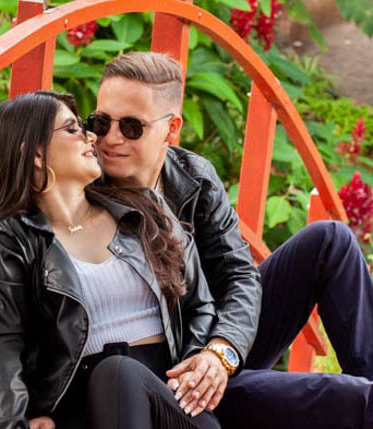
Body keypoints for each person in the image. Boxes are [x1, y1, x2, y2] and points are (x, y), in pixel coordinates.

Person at [89, 51, 373, 428]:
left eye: (131, 127)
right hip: (172, 383)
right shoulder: (81, 185)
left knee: (330, 241)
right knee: (352, 398)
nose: (109, 139)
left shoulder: (194, 177)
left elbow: (239, 275)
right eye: (100, 122)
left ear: (171, 129)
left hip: (217, 349)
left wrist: (222, 348)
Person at [0, 90, 224, 428]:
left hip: (169, 400)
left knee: (118, 373)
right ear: (35, 153)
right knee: (114, 374)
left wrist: (194, 370)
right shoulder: (10, 240)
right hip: (84, 410)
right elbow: (5, 346)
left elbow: (199, 304)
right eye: (72, 129)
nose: (91, 136)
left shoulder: (143, 209)